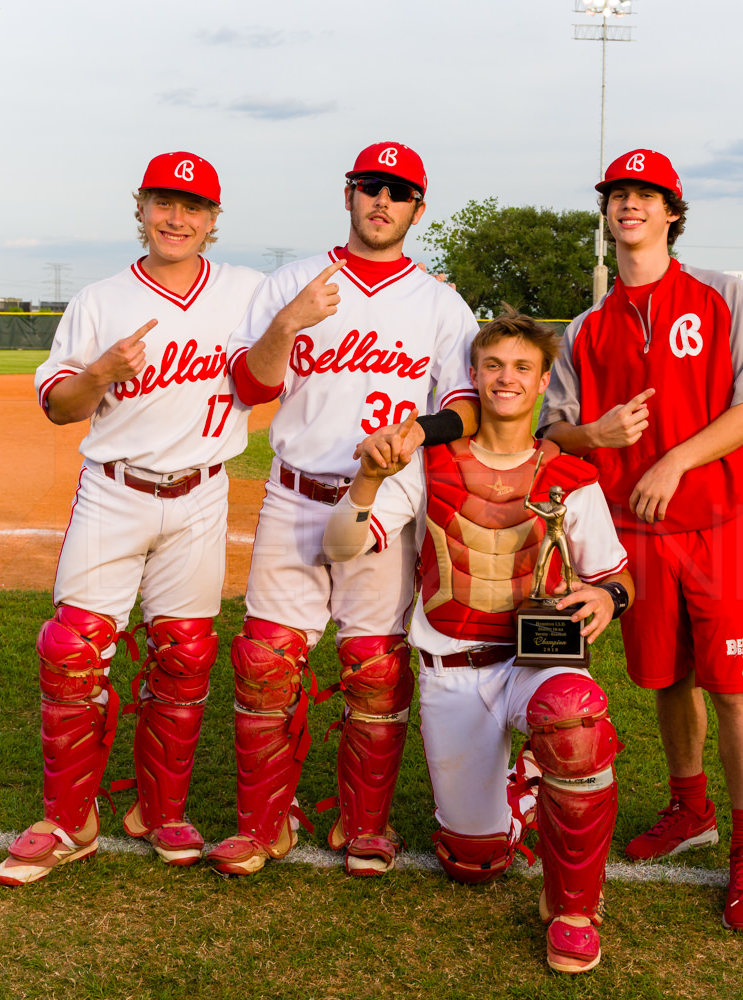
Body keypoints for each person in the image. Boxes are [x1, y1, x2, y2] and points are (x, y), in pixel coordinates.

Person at [322, 311, 634, 974]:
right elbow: (339, 546)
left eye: (522, 367)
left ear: (544, 380)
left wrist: (608, 598)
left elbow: (616, 575)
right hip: (450, 666)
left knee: (574, 722)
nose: (506, 378)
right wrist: (371, 478)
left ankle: (575, 912)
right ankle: (523, 789)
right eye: (494, 365)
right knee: (474, 860)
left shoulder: (569, 475)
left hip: (534, 663)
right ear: (473, 375)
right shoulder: (429, 464)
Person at [538, 148, 743, 932]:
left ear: (672, 213)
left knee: (733, 685)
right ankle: (691, 809)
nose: (631, 205)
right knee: (666, 678)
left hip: (721, 523)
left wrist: (676, 457)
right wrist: (598, 432)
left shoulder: (722, 297)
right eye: (619, 194)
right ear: (607, 212)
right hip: (636, 535)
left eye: (647, 195)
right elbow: (554, 430)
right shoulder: (585, 327)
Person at [208, 142, 480, 878]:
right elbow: (253, 387)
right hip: (296, 491)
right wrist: (288, 323)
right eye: (370, 187)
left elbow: (466, 404)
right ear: (350, 194)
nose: (381, 202)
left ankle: (367, 824)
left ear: (418, 209)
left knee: (375, 666)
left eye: (398, 192)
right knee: (266, 659)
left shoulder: (438, 303)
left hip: (386, 497)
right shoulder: (295, 281)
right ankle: (265, 823)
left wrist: (418, 432)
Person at [0, 152, 264, 886]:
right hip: (115, 491)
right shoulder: (100, 300)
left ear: (213, 221)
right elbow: (59, 407)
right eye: (164, 203)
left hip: (202, 493)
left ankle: (160, 810)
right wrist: (101, 374)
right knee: (74, 651)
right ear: (140, 208)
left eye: (193, 207)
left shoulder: (246, 291)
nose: (177, 219)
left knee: (183, 654)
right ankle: (68, 821)